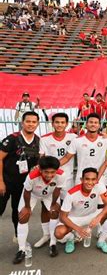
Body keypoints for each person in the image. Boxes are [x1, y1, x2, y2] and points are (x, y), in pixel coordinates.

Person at [36, 113, 77, 248]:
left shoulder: (73, 137)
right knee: (46, 207)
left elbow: (68, 157)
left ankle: (68, 233)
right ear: (52, 123)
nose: (59, 125)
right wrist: (48, 171)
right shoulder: (45, 139)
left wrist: (104, 135)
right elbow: (41, 158)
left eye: (62, 122)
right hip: (49, 178)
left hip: (67, 178)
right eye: (57, 122)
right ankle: (46, 234)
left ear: (67, 124)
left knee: (67, 207)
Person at [13, 156, 64, 264]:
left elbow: (57, 190)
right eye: (46, 172)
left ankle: (52, 244)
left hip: (49, 194)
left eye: (52, 172)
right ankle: (21, 249)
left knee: (54, 213)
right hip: (32, 195)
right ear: (40, 169)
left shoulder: (61, 174)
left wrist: (54, 204)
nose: (49, 175)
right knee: (23, 217)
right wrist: (27, 207)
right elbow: (27, 192)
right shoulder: (32, 176)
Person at [54, 168, 107, 254]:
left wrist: (99, 217)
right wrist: (78, 229)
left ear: (96, 180)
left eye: (93, 179)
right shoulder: (71, 193)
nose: (90, 182)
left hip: (92, 215)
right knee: (58, 233)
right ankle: (71, 238)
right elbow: (63, 217)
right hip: (75, 218)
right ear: (81, 180)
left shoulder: (100, 186)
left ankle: (101, 241)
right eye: (87, 179)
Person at [0, 111, 40, 240]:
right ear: (22, 122)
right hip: (6, 181)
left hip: (22, 184)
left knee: (17, 211)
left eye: (34, 122)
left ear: (37, 124)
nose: (31, 124)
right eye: (28, 121)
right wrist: (1, 181)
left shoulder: (38, 141)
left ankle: (18, 236)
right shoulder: (12, 138)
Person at [60, 113, 107, 185]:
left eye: (96, 123)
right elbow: (66, 158)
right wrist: (52, 166)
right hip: (82, 177)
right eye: (91, 122)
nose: (93, 124)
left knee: (100, 196)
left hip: (100, 176)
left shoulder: (105, 139)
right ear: (86, 125)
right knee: (80, 196)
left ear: (99, 125)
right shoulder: (77, 140)